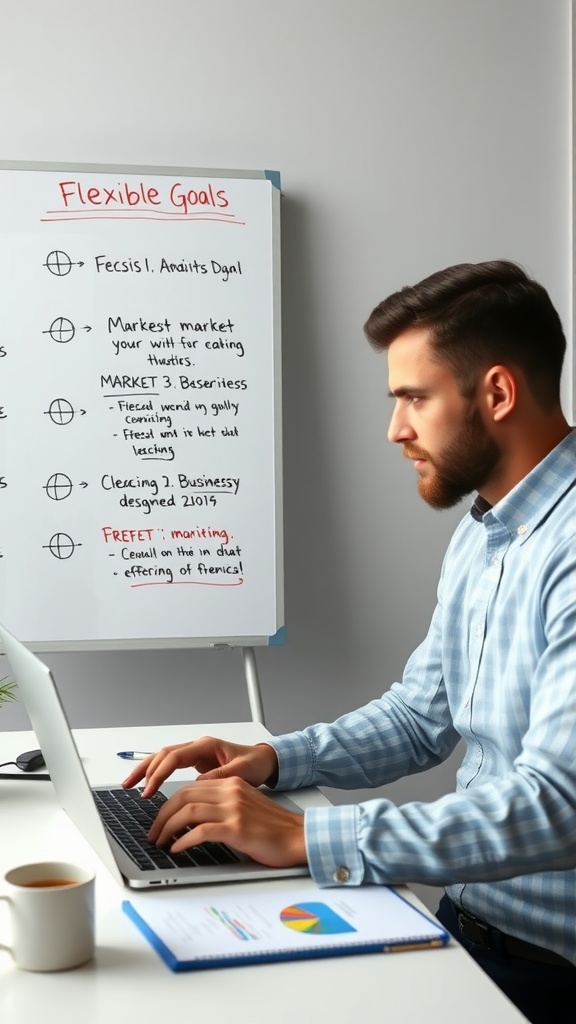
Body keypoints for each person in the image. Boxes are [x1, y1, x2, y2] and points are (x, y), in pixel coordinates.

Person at [124, 260, 576, 1023]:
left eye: (414, 398)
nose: (395, 429)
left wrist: (306, 834)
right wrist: (271, 760)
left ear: (497, 393)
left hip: (547, 976)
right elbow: (420, 716)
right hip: (462, 926)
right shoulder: (487, 533)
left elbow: (560, 807)